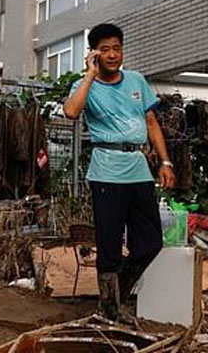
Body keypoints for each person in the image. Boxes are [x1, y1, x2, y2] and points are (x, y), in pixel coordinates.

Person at [63, 23, 176, 322]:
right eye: (105, 49)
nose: (113, 54)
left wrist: (165, 162)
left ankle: (113, 298)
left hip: (139, 169)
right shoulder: (85, 85)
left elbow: (151, 123)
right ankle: (111, 309)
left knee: (151, 241)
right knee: (110, 244)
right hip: (106, 172)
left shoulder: (136, 80)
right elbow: (72, 112)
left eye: (117, 47)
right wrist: (89, 73)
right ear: (94, 53)